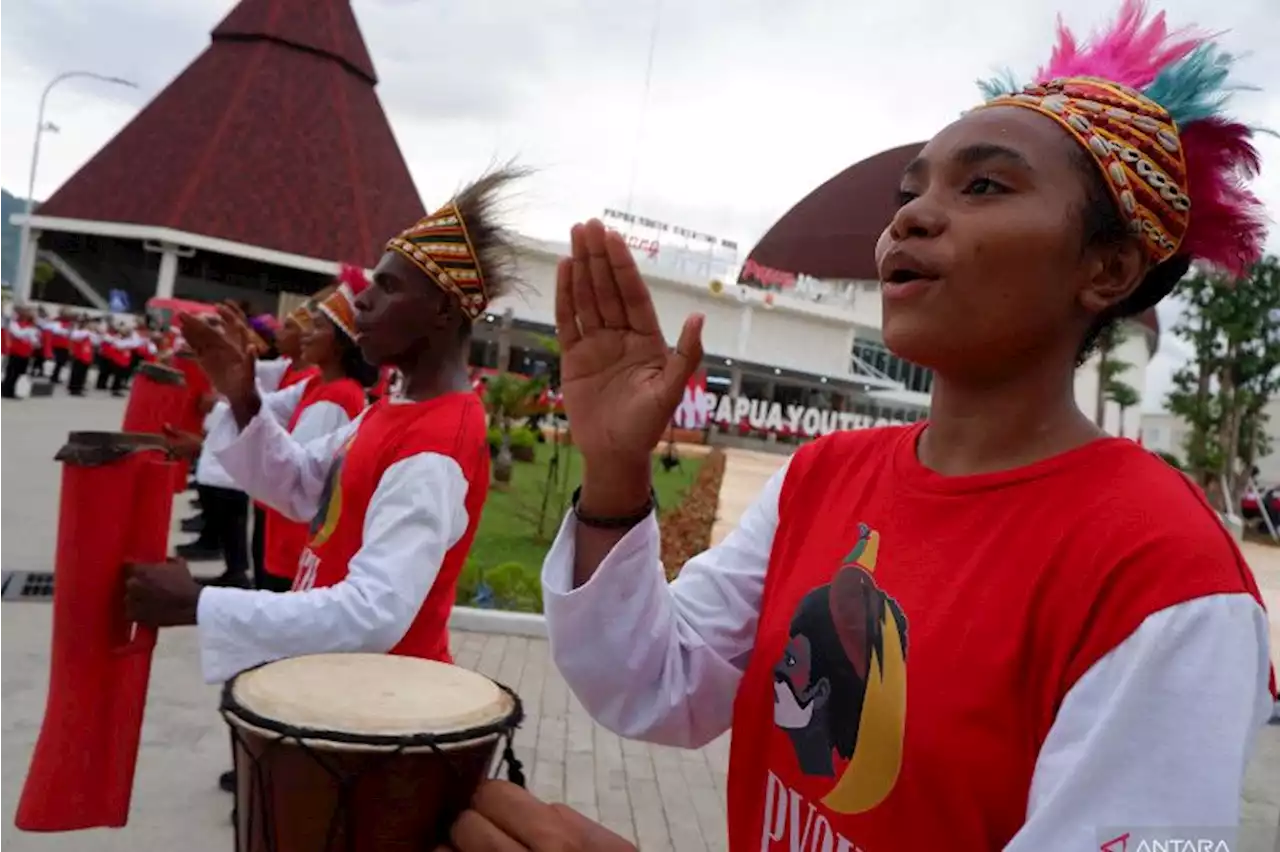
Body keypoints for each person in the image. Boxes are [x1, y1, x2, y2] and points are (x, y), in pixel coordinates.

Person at [439, 9, 1275, 852]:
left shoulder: (1166, 581)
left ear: (1109, 268)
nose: (908, 221)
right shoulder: (823, 475)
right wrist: (615, 475)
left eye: (983, 186)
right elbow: (659, 685)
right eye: (910, 194)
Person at [122, 167, 518, 689]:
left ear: (443, 312)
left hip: (378, 705)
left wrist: (201, 603)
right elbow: (303, 483)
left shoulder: (435, 445)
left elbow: (374, 614)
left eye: (388, 286)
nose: (364, 303)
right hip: (342, 685)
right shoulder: (393, 409)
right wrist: (243, 399)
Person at [254, 278, 375, 593]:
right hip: (285, 531)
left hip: (294, 540)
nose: (306, 333)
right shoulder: (319, 385)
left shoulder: (335, 398)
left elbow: (293, 473)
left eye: (317, 327)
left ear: (340, 343)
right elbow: (263, 408)